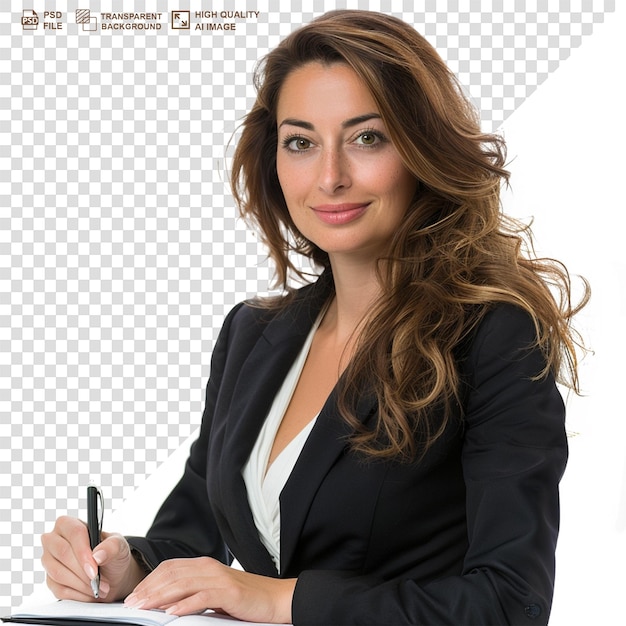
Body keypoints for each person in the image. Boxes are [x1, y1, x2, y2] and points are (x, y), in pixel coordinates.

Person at [41, 10, 589, 625]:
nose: (330, 177)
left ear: (421, 149)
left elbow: (510, 604)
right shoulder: (251, 334)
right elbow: (191, 538)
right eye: (300, 142)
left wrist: (281, 598)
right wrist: (125, 569)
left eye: (367, 138)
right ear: (273, 160)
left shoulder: (494, 336)